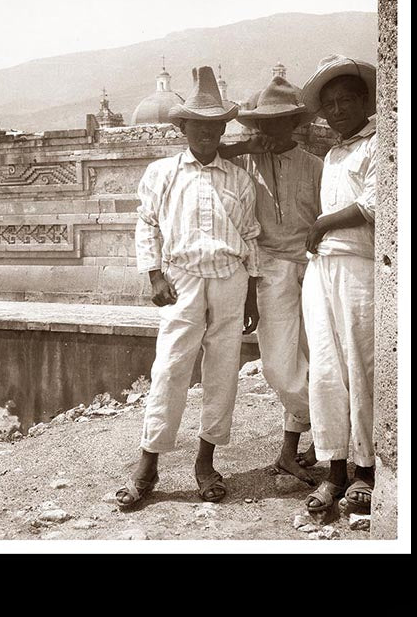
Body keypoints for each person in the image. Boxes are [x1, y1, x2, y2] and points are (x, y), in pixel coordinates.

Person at [115, 66, 261, 507]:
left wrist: (251, 290)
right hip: (182, 281)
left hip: (231, 279)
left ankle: (205, 461)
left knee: (221, 372)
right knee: (170, 369)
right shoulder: (162, 173)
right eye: (199, 126)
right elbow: (147, 224)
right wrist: (154, 273)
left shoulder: (238, 178)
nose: (207, 134)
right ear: (183, 127)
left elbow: (250, 235)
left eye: (215, 126)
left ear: (223, 129)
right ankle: (148, 466)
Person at [218, 76, 322, 485]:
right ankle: (334, 423)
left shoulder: (315, 164)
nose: (272, 130)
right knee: (279, 367)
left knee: (317, 360)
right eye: (264, 123)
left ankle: (289, 453)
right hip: (269, 270)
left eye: (280, 121)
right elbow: (208, 152)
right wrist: (246, 146)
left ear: (295, 122)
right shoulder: (244, 163)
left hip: (314, 268)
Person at [299, 55, 377, 514]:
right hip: (322, 268)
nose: (337, 109)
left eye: (346, 99)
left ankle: (366, 470)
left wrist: (323, 224)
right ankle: (335, 469)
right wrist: (320, 233)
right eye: (329, 104)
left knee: (360, 363)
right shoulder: (331, 153)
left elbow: (374, 202)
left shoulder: (382, 144)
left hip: (358, 267)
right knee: (327, 370)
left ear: (365, 101)